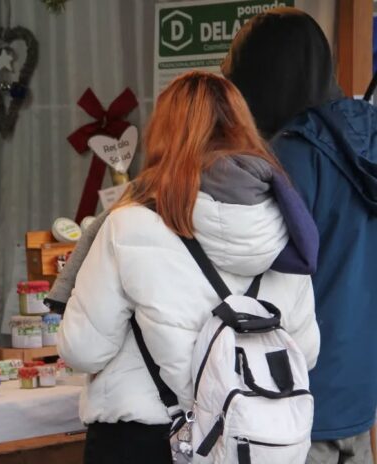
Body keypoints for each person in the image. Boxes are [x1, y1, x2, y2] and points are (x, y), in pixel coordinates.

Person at [57, 71, 320, 464]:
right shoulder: (285, 230)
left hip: (142, 440)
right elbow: (306, 352)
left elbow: (83, 349)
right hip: (245, 442)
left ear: (161, 134)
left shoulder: (128, 223)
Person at [222, 8, 376, 463]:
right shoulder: (366, 142)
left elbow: (246, 272)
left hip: (292, 394)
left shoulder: (289, 157)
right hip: (358, 390)